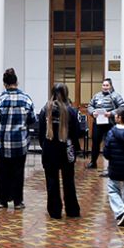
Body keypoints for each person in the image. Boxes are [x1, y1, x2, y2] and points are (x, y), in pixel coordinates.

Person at [0, 68, 36, 210]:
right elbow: (32, 118)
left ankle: (3, 200)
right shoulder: (26, 98)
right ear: (17, 82)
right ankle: (18, 201)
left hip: (2, 142)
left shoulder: (0, 99)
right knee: (18, 171)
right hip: (20, 142)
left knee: (3, 171)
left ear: (5, 84)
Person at [37, 83, 82, 219]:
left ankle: (55, 211)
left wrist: (44, 146)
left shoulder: (45, 109)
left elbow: (41, 133)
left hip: (49, 150)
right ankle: (72, 210)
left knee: (52, 182)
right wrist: (75, 149)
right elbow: (76, 133)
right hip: (66, 149)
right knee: (69, 181)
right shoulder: (71, 111)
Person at [87, 78, 124, 172]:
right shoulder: (97, 96)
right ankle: (93, 162)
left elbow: (122, 108)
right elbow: (90, 106)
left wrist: (111, 113)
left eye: (107, 85)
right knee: (95, 143)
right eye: (103, 85)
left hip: (110, 124)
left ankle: (111, 165)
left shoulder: (116, 96)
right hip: (98, 123)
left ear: (111, 86)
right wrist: (92, 112)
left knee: (110, 144)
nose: (105, 87)